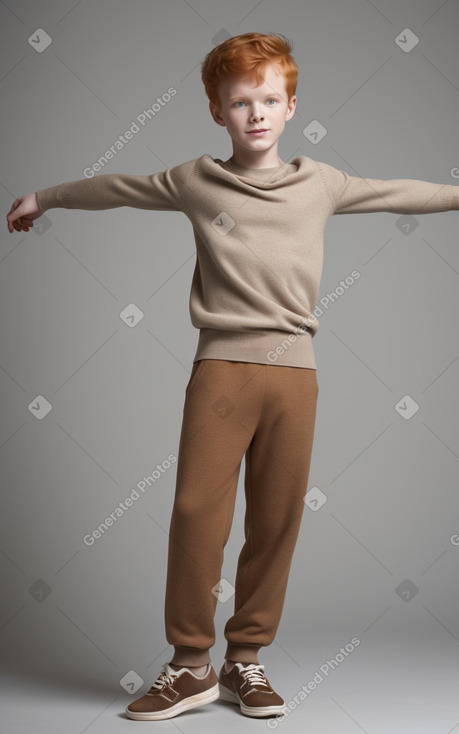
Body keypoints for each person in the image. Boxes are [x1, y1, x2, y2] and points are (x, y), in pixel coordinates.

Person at [6, 31, 458, 722]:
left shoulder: (321, 182)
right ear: (217, 111)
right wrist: (45, 196)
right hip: (220, 369)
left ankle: (246, 657)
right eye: (240, 102)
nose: (255, 113)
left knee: (275, 518)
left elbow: (398, 191)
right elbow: (117, 188)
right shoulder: (195, 180)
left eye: (269, 100)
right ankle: (190, 666)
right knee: (197, 513)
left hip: (294, 376)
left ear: (291, 106)